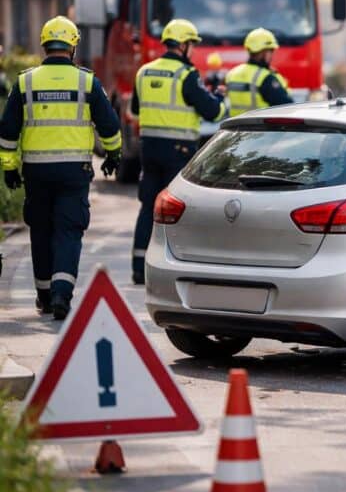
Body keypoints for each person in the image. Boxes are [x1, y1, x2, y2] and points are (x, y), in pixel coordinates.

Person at [0, 16, 122, 319]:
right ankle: (61, 296)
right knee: (68, 231)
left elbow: (7, 132)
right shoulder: (87, 81)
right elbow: (109, 126)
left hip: (36, 171)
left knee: (40, 231)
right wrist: (113, 155)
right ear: (73, 46)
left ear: (44, 45)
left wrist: (9, 168)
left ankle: (43, 295)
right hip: (73, 172)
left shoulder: (25, 81)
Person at [130, 19, 225, 285]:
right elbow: (212, 111)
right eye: (192, 45)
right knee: (176, 210)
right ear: (183, 45)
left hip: (148, 149)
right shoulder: (186, 74)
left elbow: (134, 111)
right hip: (178, 151)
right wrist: (218, 96)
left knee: (148, 205)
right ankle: (176, 266)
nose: (193, 50)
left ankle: (139, 266)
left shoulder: (144, 72)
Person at [225, 28, 293, 117]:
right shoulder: (265, 78)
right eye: (271, 51)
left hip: (235, 128)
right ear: (264, 52)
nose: (272, 55)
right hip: (261, 129)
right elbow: (288, 107)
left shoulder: (232, 74)